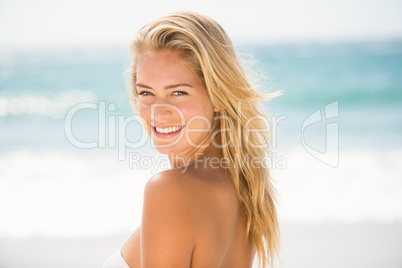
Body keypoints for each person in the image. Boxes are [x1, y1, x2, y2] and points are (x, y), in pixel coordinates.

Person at [102, 11, 279, 268]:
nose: (157, 111)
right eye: (146, 92)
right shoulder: (242, 189)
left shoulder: (169, 190)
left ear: (218, 95)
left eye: (178, 92)